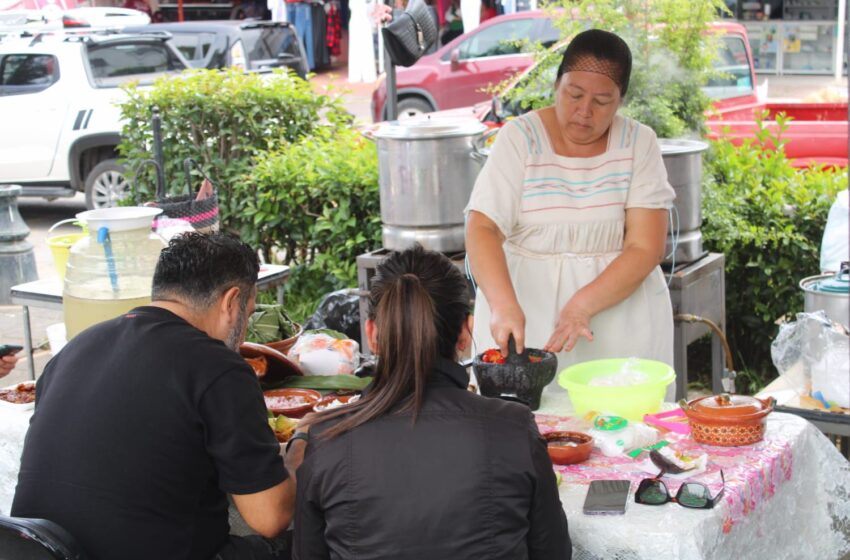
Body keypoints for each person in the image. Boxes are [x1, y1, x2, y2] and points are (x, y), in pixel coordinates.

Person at [13, 233, 304, 560]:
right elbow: (270, 518)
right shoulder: (218, 367)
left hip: (34, 550)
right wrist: (299, 450)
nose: (245, 330)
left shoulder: (74, 349)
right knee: (316, 540)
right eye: (248, 313)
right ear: (230, 301)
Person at [292, 245, 571, 560]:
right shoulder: (514, 427)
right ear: (465, 332)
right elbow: (554, 552)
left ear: (372, 333)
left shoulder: (327, 438)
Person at [465, 30, 675, 393]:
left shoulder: (639, 143)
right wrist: (502, 304)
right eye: (574, 94)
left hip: (617, 321)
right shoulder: (520, 138)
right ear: (556, 85)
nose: (584, 111)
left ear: (620, 101)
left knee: (621, 429)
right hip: (524, 316)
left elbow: (646, 247)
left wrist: (582, 305)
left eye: (602, 101)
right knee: (521, 428)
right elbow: (482, 227)